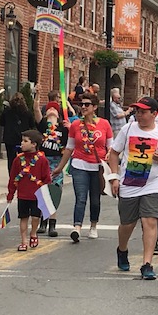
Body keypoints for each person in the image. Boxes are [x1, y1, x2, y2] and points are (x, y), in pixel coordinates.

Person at [108, 96, 158, 280]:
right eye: (137, 111)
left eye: (143, 112)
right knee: (127, 224)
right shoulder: (128, 129)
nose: (139, 114)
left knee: (150, 222)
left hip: (153, 185)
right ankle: (122, 249)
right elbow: (113, 153)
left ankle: (147, 264)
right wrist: (114, 178)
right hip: (129, 184)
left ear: (155, 114)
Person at [52, 92, 113, 243]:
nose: (83, 107)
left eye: (87, 104)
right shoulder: (75, 125)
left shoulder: (104, 124)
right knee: (80, 197)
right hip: (79, 164)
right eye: (82, 104)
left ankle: (93, 225)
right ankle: (77, 227)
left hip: (98, 166)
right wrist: (60, 167)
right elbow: (69, 148)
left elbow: (111, 147)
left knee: (95, 199)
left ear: (95, 107)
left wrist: (110, 162)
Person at [6, 130, 51, 251]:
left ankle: (33, 234)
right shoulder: (18, 160)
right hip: (23, 195)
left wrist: (47, 194)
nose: (22, 143)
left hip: (37, 195)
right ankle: (24, 241)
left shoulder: (42, 160)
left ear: (34, 144)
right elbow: (13, 177)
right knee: (23, 217)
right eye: (22, 140)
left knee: (36, 217)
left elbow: (47, 178)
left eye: (25, 141)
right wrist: (11, 193)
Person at [33, 92, 69, 238]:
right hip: (43, 162)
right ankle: (43, 221)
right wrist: (36, 95)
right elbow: (35, 109)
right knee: (42, 192)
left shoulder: (63, 129)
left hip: (57, 163)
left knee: (53, 193)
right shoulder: (43, 126)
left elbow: (69, 146)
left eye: (54, 108)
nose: (52, 110)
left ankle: (52, 224)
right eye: (49, 108)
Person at [0, 92, 36, 174]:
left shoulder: (7, 112)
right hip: (23, 139)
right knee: (24, 158)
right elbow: (32, 125)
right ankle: (22, 174)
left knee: (11, 159)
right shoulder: (27, 112)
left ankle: (12, 176)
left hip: (10, 138)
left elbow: (1, 122)